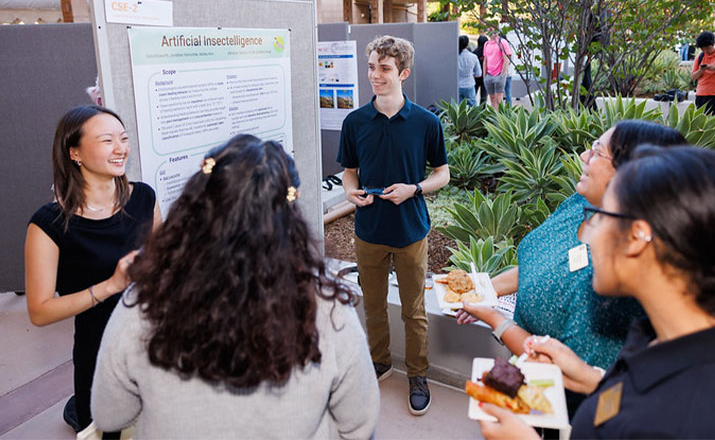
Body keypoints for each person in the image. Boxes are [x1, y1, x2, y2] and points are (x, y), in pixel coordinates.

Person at [92, 136, 380, 438]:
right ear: (289, 218)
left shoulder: (145, 300)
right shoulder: (327, 308)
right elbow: (360, 425)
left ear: (196, 204)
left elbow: (109, 416)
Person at [478, 146, 715, 439]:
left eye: (600, 217)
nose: (589, 234)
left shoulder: (687, 420)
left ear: (637, 237)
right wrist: (593, 379)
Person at [458, 121, 687, 412]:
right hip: (531, 370)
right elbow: (545, 263)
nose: (583, 156)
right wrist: (485, 289)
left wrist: (496, 319)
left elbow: (572, 374)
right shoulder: (581, 202)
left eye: (596, 151)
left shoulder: (616, 286)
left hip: (564, 405)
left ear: (629, 177)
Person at [25, 105, 161, 433]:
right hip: (100, 351)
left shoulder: (144, 197)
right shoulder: (48, 224)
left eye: (123, 138)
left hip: (153, 341)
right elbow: (40, 312)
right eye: (106, 140)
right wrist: (111, 285)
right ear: (75, 153)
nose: (120, 149)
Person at [337, 35, 450, 415]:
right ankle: (380, 363)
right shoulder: (354, 122)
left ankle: (418, 374)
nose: (375, 75)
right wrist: (352, 193)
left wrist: (414, 189)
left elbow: (443, 174)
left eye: (384, 69)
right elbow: (348, 174)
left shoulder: (426, 122)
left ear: (403, 72)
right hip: (368, 231)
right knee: (372, 306)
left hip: (409, 231)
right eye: (371, 67)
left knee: (413, 310)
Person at [483, 33, 511, 109]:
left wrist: (502, 74)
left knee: (498, 100)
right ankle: (494, 117)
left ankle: (499, 118)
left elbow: (507, 59)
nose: (490, 31)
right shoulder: (486, 44)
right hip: (489, 75)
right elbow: (485, 60)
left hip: (499, 74)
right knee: (492, 99)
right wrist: (484, 76)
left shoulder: (502, 42)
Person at [458, 35, 482, 106]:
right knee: (473, 109)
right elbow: (479, 74)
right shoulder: (473, 57)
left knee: (459, 109)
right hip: (469, 85)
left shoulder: (455, 56)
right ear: (467, 44)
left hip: (458, 86)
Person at [474, 35, 488, 105]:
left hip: (475, 77)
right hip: (485, 77)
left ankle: (473, 111)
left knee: (473, 97)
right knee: (483, 97)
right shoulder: (488, 53)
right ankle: (482, 112)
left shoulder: (474, 53)